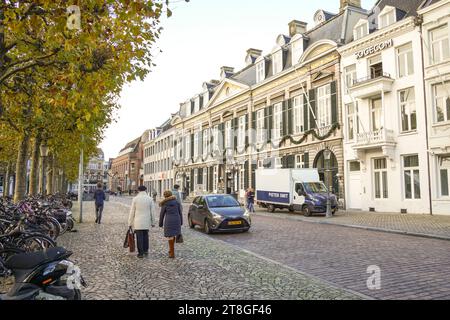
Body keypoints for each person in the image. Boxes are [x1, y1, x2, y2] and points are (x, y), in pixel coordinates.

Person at [128, 185, 156, 258]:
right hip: (146, 221)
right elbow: (152, 212)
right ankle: (146, 250)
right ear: (145, 190)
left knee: (139, 237)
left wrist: (130, 222)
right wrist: (153, 222)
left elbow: (132, 212)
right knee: (145, 236)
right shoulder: (150, 199)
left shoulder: (135, 199)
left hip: (138, 221)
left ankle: (140, 253)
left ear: (138, 190)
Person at [159, 190, 182, 259]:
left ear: (165, 196)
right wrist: (181, 222)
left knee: (170, 236)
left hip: (169, 220)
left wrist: (160, 223)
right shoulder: (176, 202)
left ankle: (172, 253)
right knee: (174, 234)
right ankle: (171, 250)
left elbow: (162, 214)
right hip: (177, 219)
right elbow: (180, 212)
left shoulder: (165, 203)